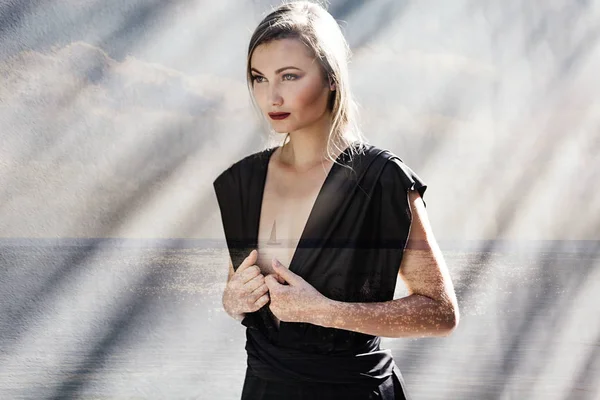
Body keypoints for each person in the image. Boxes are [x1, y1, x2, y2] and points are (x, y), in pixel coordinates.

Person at [212, 1, 460, 399]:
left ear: (331, 78)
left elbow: (442, 313)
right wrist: (232, 301)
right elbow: (240, 294)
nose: (271, 96)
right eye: (258, 78)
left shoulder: (382, 180)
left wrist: (325, 311)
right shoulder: (242, 181)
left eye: (289, 76)